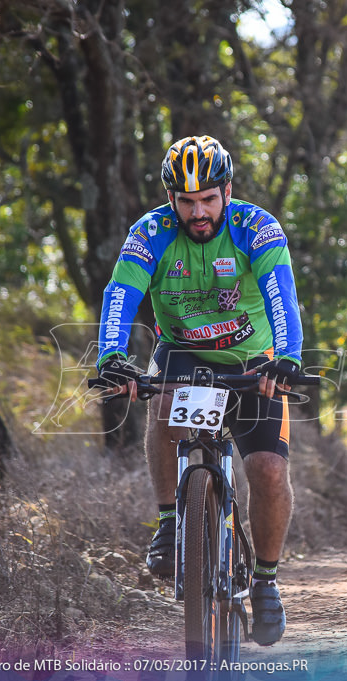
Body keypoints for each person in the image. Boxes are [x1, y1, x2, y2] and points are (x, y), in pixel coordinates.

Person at [94, 135, 304, 646]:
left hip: (253, 360)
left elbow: (282, 295)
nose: (198, 212)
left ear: (227, 191)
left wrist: (288, 357)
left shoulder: (256, 228)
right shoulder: (151, 233)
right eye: (186, 202)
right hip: (182, 353)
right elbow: (121, 294)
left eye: (208, 199)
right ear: (171, 199)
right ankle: (171, 520)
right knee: (163, 404)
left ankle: (266, 581)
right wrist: (111, 357)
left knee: (269, 470)